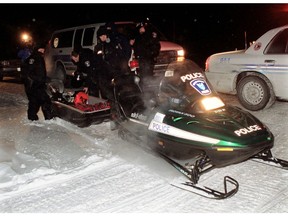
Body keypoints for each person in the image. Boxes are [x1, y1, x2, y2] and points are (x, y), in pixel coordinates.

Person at [22, 42, 53, 121]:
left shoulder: (29, 58)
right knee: (46, 101)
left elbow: (26, 72)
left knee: (34, 101)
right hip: (37, 85)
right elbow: (40, 73)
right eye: (42, 49)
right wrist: (43, 79)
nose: (43, 51)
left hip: (30, 85)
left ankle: (32, 117)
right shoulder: (39, 58)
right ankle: (49, 119)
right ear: (39, 49)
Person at [133, 21, 161, 88]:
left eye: (142, 28)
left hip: (148, 59)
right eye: (139, 28)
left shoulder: (150, 36)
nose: (140, 29)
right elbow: (136, 46)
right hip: (142, 59)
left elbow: (156, 46)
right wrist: (137, 55)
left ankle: (149, 90)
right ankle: (145, 90)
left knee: (148, 76)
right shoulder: (139, 36)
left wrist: (151, 55)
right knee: (143, 76)